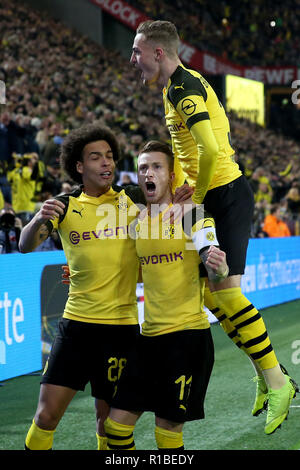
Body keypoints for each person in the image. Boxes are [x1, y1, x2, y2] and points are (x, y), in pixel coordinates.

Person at [130, 20, 298, 435]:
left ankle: (278, 381)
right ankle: (265, 373)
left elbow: (208, 148)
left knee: (225, 291)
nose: (132, 58)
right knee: (212, 294)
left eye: (137, 51)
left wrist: (199, 196)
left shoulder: (184, 87)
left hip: (220, 195)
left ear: (157, 52)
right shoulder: (174, 88)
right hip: (207, 198)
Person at [19, 123, 146, 450]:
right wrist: (35, 220)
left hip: (122, 328)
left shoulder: (133, 200)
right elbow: (24, 245)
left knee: (108, 423)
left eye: (109, 156)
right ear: (79, 166)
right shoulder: (63, 205)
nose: (106, 163)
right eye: (95, 157)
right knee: (46, 417)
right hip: (77, 327)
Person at [103, 140, 229, 450]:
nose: (149, 172)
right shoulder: (136, 224)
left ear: (171, 176)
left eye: (157, 166)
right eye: (143, 167)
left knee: (167, 434)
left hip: (187, 339)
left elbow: (213, 263)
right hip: (148, 340)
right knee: (115, 428)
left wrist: (220, 266)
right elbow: (138, 271)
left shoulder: (191, 214)